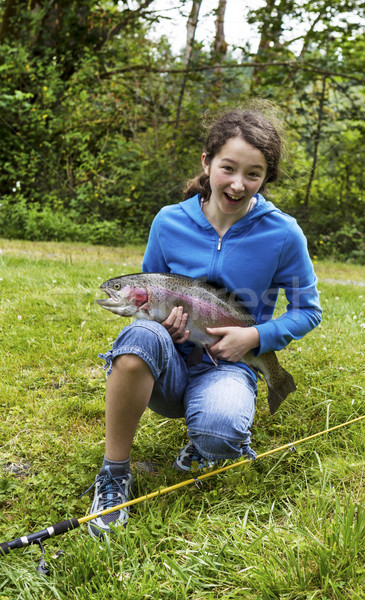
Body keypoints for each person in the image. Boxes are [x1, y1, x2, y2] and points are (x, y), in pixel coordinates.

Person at [85, 104, 322, 538]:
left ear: (266, 177)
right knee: (140, 333)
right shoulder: (168, 221)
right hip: (168, 367)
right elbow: (152, 288)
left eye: (254, 174)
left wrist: (254, 335)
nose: (238, 183)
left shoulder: (284, 233)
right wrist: (163, 329)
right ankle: (114, 472)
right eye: (228, 167)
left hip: (230, 366)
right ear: (206, 162)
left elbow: (309, 310)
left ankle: (210, 435)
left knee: (220, 433)